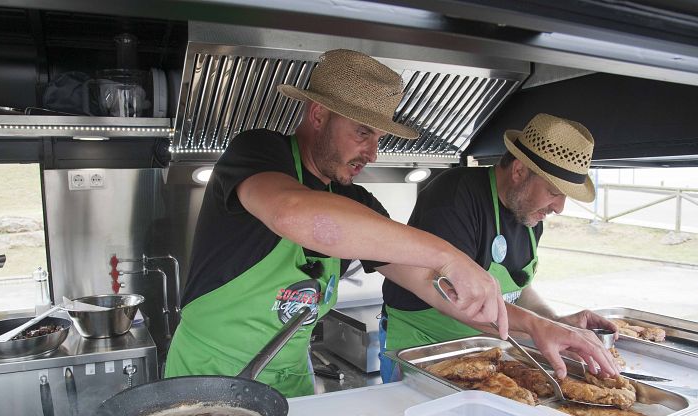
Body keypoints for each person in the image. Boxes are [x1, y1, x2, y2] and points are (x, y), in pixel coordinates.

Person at [163, 49, 508, 397]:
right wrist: (449, 256)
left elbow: (425, 280)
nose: (373, 153)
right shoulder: (259, 152)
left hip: (291, 385)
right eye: (363, 133)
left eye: (379, 138)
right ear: (318, 115)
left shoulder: (355, 203)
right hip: (208, 375)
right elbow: (292, 213)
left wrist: (519, 321)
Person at [380, 113, 620, 382]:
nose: (560, 208)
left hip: (484, 355)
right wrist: (537, 326)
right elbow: (457, 298)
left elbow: (518, 290)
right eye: (554, 192)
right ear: (519, 171)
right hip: (422, 351)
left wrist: (555, 321)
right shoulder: (454, 196)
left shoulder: (529, 214)